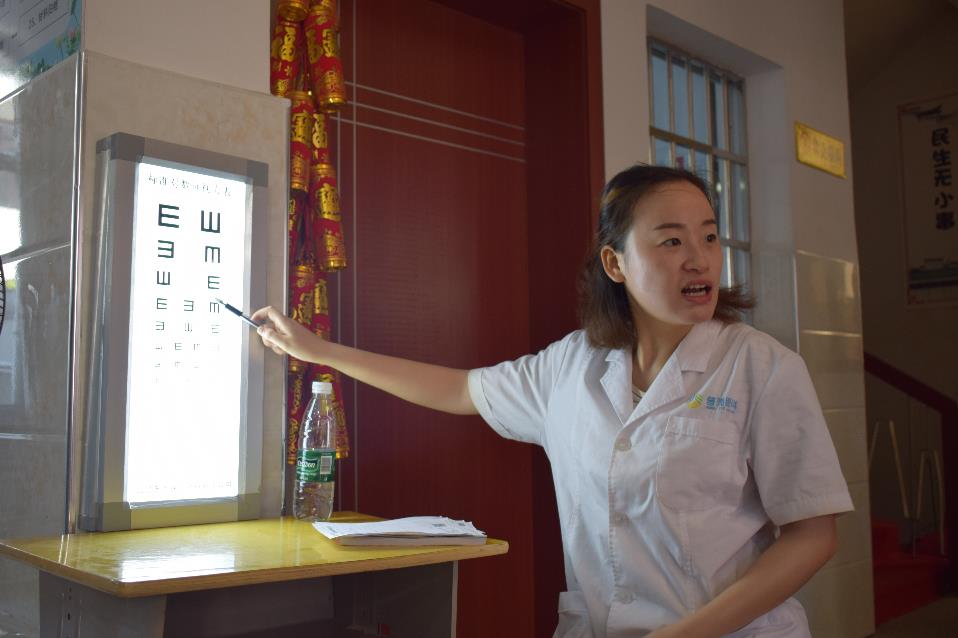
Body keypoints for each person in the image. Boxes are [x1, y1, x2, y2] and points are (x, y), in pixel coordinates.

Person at [252, 164, 854, 638]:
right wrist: (320, 350)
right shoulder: (573, 364)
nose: (699, 258)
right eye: (671, 240)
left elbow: (812, 535)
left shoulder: (761, 367)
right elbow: (461, 389)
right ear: (615, 263)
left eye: (709, 236)